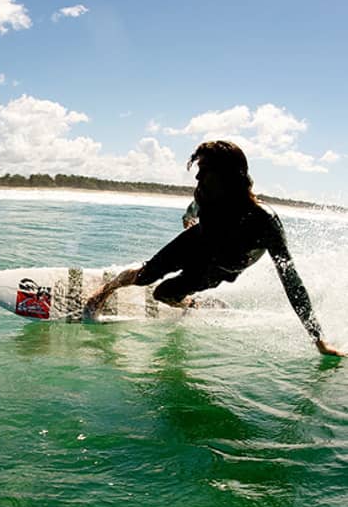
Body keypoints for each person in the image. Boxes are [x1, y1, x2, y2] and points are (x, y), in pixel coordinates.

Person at [84, 140, 344, 356]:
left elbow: (291, 280)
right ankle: (105, 291)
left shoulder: (263, 220)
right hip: (196, 242)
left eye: (204, 169)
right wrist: (189, 218)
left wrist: (318, 339)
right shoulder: (204, 195)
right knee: (145, 276)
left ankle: (190, 304)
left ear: (228, 175)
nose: (197, 176)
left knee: (162, 294)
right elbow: (193, 208)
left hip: (218, 267)